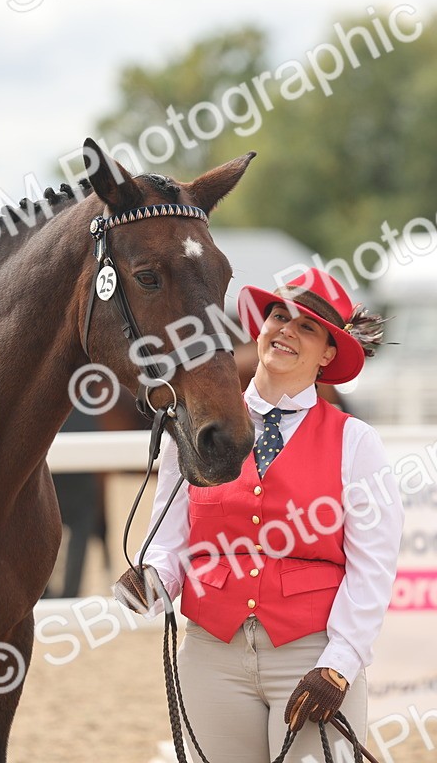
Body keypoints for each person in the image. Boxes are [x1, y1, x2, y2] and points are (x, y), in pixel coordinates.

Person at [115, 268, 403, 763]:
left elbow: (372, 569)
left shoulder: (356, 443)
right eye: (278, 316)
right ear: (261, 327)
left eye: (307, 327)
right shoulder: (195, 429)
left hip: (310, 655)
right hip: (212, 656)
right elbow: (171, 539)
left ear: (328, 353)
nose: (286, 330)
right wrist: (152, 579)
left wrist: (339, 664)